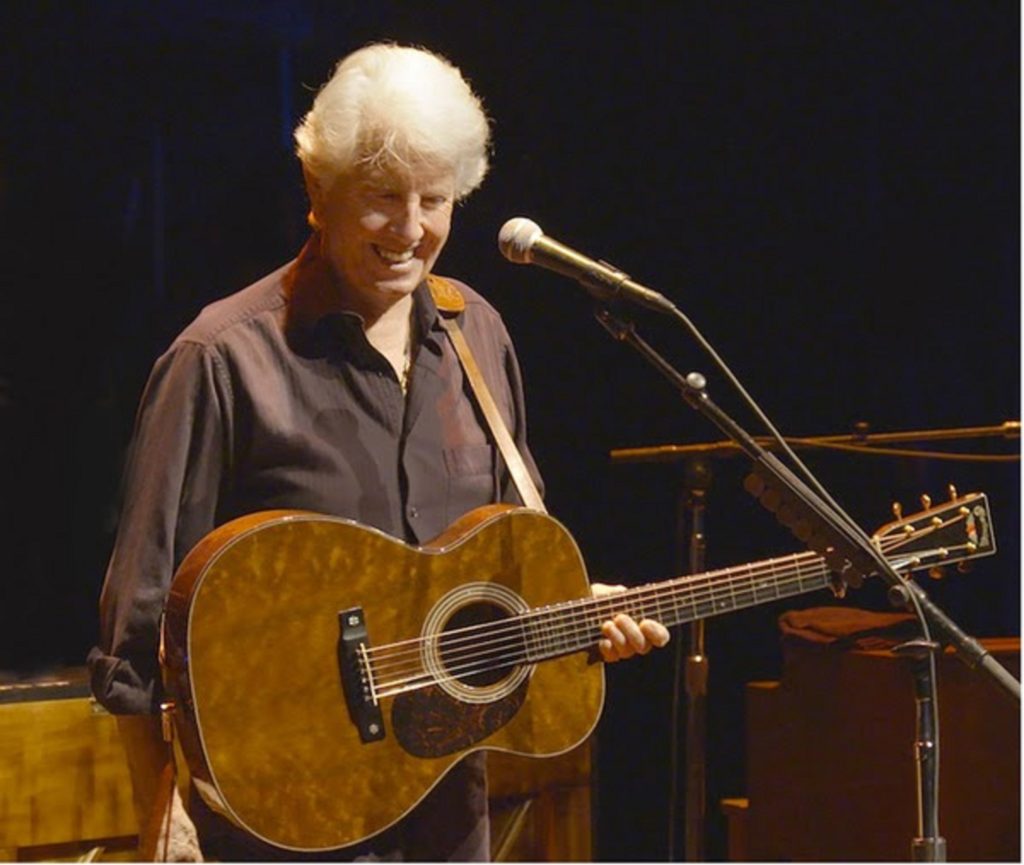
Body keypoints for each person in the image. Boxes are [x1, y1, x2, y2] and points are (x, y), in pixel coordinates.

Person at [88, 42, 669, 862]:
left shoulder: (479, 336)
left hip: (445, 813)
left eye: (435, 199)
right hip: (277, 821)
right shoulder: (222, 358)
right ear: (317, 193)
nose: (410, 229)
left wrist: (578, 615)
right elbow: (135, 632)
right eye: (381, 198)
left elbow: (506, 559)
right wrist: (165, 810)